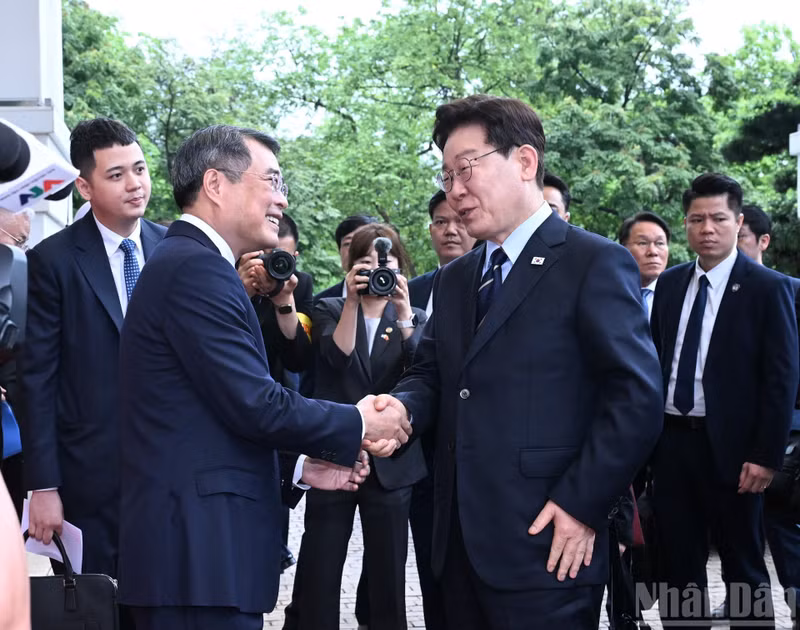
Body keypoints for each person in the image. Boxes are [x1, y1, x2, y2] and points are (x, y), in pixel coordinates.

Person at [381, 94, 664, 629]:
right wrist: (400, 411)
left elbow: (636, 397)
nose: (455, 191)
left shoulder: (592, 262)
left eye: (466, 169)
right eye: (446, 176)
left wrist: (582, 504)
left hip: (548, 541)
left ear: (525, 162)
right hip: (456, 544)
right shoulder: (457, 277)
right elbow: (434, 374)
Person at [116, 124, 410, 630]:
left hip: (200, 559)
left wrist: (298, 467)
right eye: (272, 181)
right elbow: (255, 402)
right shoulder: (197, 270)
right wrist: (358, 422)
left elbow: (212, 414)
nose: (281, 199)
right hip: (198, 560)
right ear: (215, 184)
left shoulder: (191, 262)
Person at [17, 119, 167, 609]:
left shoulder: (175, 251)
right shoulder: (53, 260)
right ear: (85, 185)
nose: (135, 184)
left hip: (170, 474)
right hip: (90, 480)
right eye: (117, 174)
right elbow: (37, 378)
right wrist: (43, 485)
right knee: (96, 610)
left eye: (140, 170)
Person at [649, 174, 799, 629]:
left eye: (718, 218)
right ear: (686, 225)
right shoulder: (671, 285)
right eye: (697, 219)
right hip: (672, 444)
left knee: (743, 565)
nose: (707, 229)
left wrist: (765, 455)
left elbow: (781, 378)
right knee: (678, 565)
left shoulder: (768, 287)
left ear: (738, 223)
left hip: (738, 454)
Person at [286, 223, 428, 630]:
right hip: (336, 455)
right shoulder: (330, 308)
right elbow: (337, 357)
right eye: (365, 262)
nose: (377, 271)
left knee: (389, 572)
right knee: (319, 564)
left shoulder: (414, 316)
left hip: (392, 460)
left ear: (401, 268)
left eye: (386, 263)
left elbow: (422, 371)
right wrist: (350, 300)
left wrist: (403, 312)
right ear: (350, 267)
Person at [710, 203, 800, 629]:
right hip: (724, 447)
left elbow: (785, 374)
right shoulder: (707, 295)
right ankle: (741, 601)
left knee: (785, 536)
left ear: (762, 241)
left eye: (739, 237)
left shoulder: (786, 290)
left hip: (785, 445)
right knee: (740, 541)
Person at [237, 212, 314, 571]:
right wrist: (242, 290)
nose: (274, 266)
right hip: (232, 403)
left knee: (275, 488)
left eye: (283, 258)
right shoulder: (231, 280)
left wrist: (285, 302)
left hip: (276, 404)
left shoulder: (300, 286)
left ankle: (275, 551)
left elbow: (299, 359)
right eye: (267, 255)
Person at [408, 189, 476, 317]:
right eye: (441, 222)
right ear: (430, 230)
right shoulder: (412, 291)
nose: (450, 230)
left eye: (460, 221)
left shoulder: (489, 286)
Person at [618, 211, 671, 320]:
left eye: (660, 243)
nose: (653, 252)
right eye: (643, 243)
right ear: (623, 249)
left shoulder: (680, 297)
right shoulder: (608, 294)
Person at [315, 215, 379, 301]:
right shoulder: (318, 303)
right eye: (348, 243)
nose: (356, 250)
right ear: (339, 250)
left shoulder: (398, 299)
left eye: (364, 243)